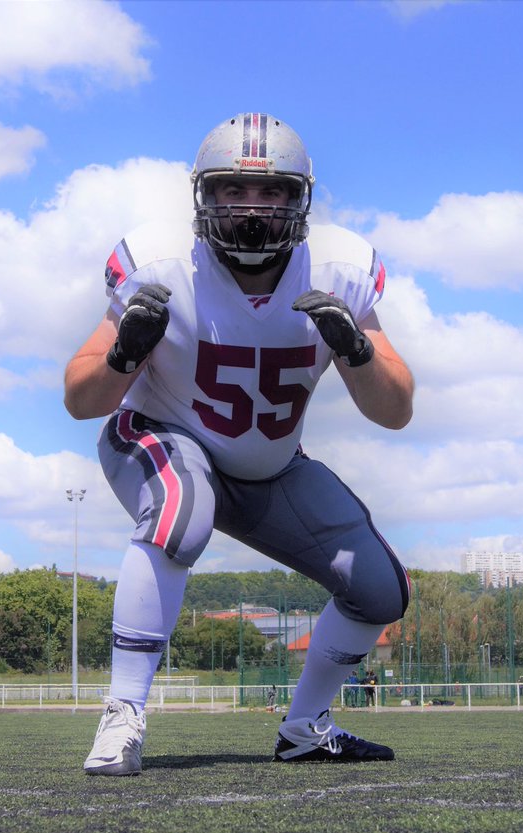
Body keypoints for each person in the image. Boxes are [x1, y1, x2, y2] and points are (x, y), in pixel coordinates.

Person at [65, 112, 414, 776]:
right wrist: (123, 354)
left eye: (273, 193)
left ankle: (306, 727)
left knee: (380, 589)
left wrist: (358, 349)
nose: (253, 208)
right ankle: (121, 716)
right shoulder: (160, 265)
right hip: (163, 438)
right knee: (180, 510)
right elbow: (82, 398)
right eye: (235, 191)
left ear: (300, 200)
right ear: (205, 197)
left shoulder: (337, 270)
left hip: (268, 468)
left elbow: (392, 409)